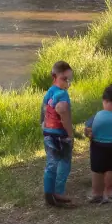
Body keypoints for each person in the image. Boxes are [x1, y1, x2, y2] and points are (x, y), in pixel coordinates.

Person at [40, 60, 75, 208]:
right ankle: (58, 192)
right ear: (54, 76)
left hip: (48, 132)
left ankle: (48, 193)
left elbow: (43, 109)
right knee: (65, 162)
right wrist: (71, 134)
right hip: (61, 134)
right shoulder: (62, 95)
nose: (67, 83)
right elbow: (63, 114)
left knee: (51, 163)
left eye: (69, 79)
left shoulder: (49, 92)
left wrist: (42, 124)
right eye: (64, 79)